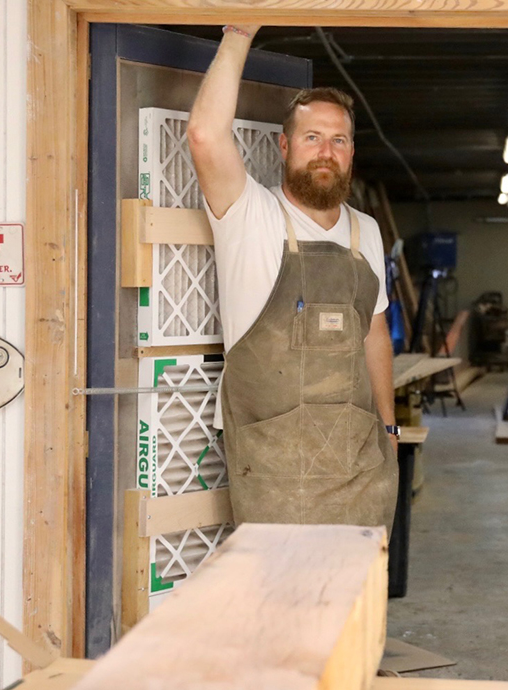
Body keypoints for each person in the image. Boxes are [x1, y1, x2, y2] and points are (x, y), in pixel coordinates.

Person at [187, 24, 399, 529]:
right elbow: (204, 135)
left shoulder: (365, 231)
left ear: (351, 152)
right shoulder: (248, 215)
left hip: (359, 467)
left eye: (338, 140)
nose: (326, 151)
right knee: (281, 604)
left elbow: (374, 334)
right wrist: (240, 31)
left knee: (355, 605)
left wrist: (389, 428)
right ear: (284, 147)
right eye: (312, 137)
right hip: (273, 469)